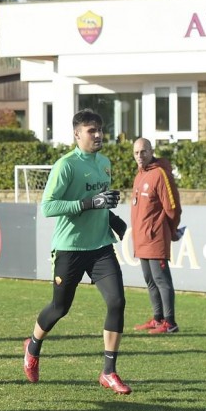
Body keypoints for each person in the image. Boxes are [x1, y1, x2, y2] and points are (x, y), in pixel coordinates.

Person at [22, 109, 132, 395]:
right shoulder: (66, 166)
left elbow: (100, 204)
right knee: (60, 308)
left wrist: (114, 220)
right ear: (77, 134)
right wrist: (87, 203)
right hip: (70, 248)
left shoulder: (105, 163)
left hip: (100, 247)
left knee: (117, 301)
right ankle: (33, 344)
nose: (97, 135)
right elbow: (48, 207)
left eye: (99, 129)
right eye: (91, 130)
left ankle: (108, 372)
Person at [130, 138, 183, 334]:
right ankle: (158, 318)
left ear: (152, 151)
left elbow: (172, 207)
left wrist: (172, 229)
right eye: (136, 152)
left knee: (161, 280)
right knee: (150, 280)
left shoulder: (160, 174)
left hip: (155, 238)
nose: (139, 156)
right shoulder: (139, 175)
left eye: (143, 151)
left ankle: (170, 322)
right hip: (141, 239)